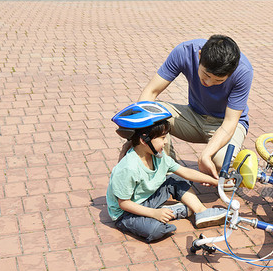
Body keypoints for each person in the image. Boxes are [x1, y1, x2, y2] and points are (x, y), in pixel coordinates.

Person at [121, 34, 253, 182]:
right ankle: (167, 173)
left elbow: (230, 122)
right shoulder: (184, 51)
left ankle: (232, 159)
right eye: (206, 74)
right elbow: (151, 92)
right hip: (193, 116)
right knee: (153, 113)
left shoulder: (243, 71)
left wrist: (206, 155)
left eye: (219, 80)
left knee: (220, 162)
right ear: (200, 55)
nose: (209, 82)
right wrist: (137, 136)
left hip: (224, 124)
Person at [107, 102, 228, 243]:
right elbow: (124, 204)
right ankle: (173, 211)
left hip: (147, 199)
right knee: (156, 230)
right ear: (144, 140)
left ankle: (201, 211)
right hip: (126, 213)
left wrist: (216, 181)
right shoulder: (129, 167)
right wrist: (154, 213)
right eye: (162, 138)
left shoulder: (158, 156)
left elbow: (185, 172)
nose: (165, 142)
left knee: (176, 178)